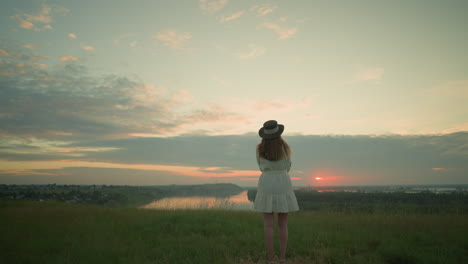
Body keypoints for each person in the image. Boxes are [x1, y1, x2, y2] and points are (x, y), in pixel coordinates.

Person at [254, 120, 300, 264]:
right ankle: (282, 258)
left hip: (267, 182)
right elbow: (287, 166)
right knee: (283, 224)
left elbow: (261, 167)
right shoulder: (285, 147)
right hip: (282, 181)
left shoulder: (259, 148)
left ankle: (271, 259)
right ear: (278, 132)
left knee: (268, 224)